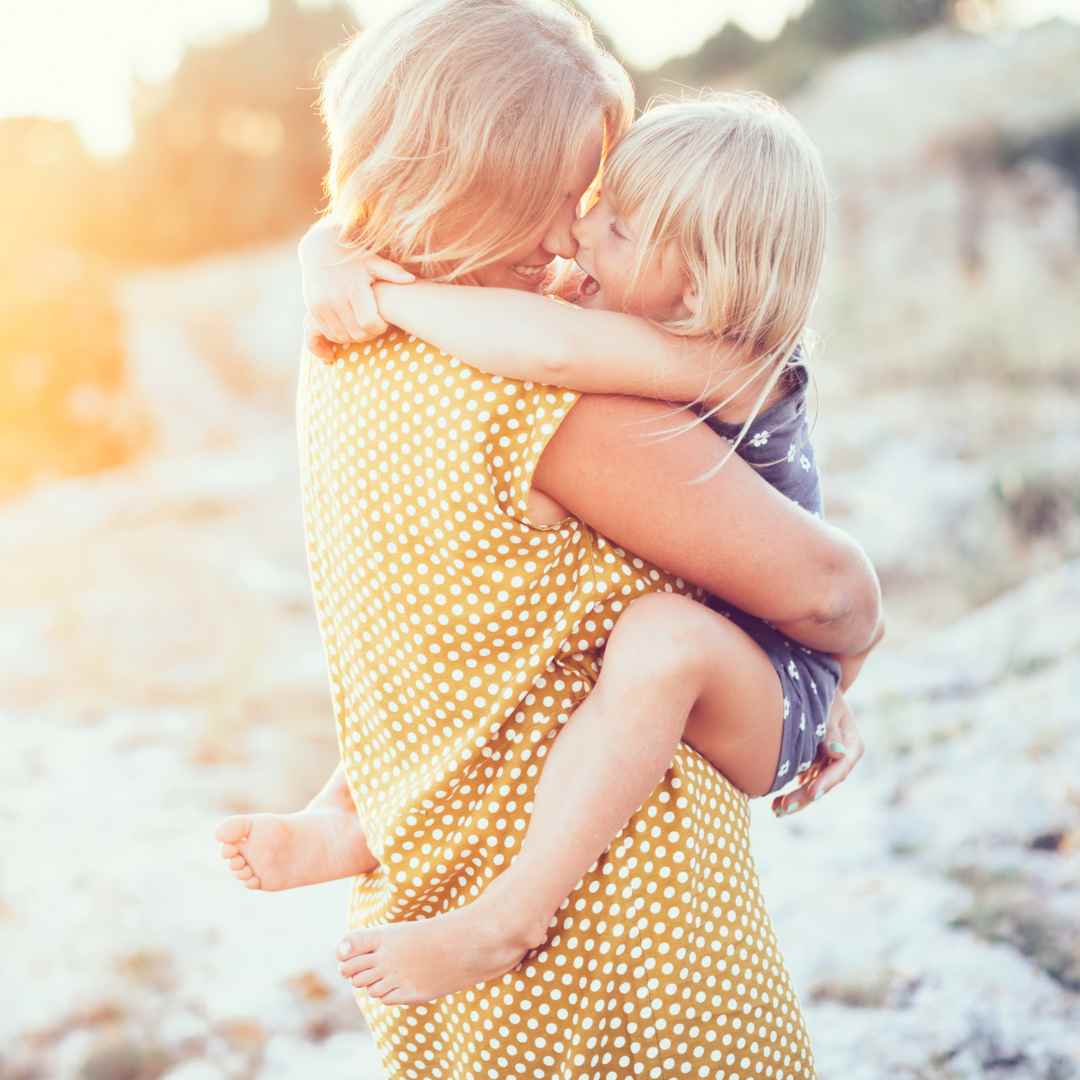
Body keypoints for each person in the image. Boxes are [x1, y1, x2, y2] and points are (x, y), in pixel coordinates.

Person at [215, 3, 877, 1075]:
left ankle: (356, 823)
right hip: (626, 955)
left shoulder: (346, 345)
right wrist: (844, 656)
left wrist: (331, 251)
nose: (571, 237)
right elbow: (832, 592)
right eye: (566, 196)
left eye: (596, 206)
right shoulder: (532, 393)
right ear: (483, 180)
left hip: (445, 924)